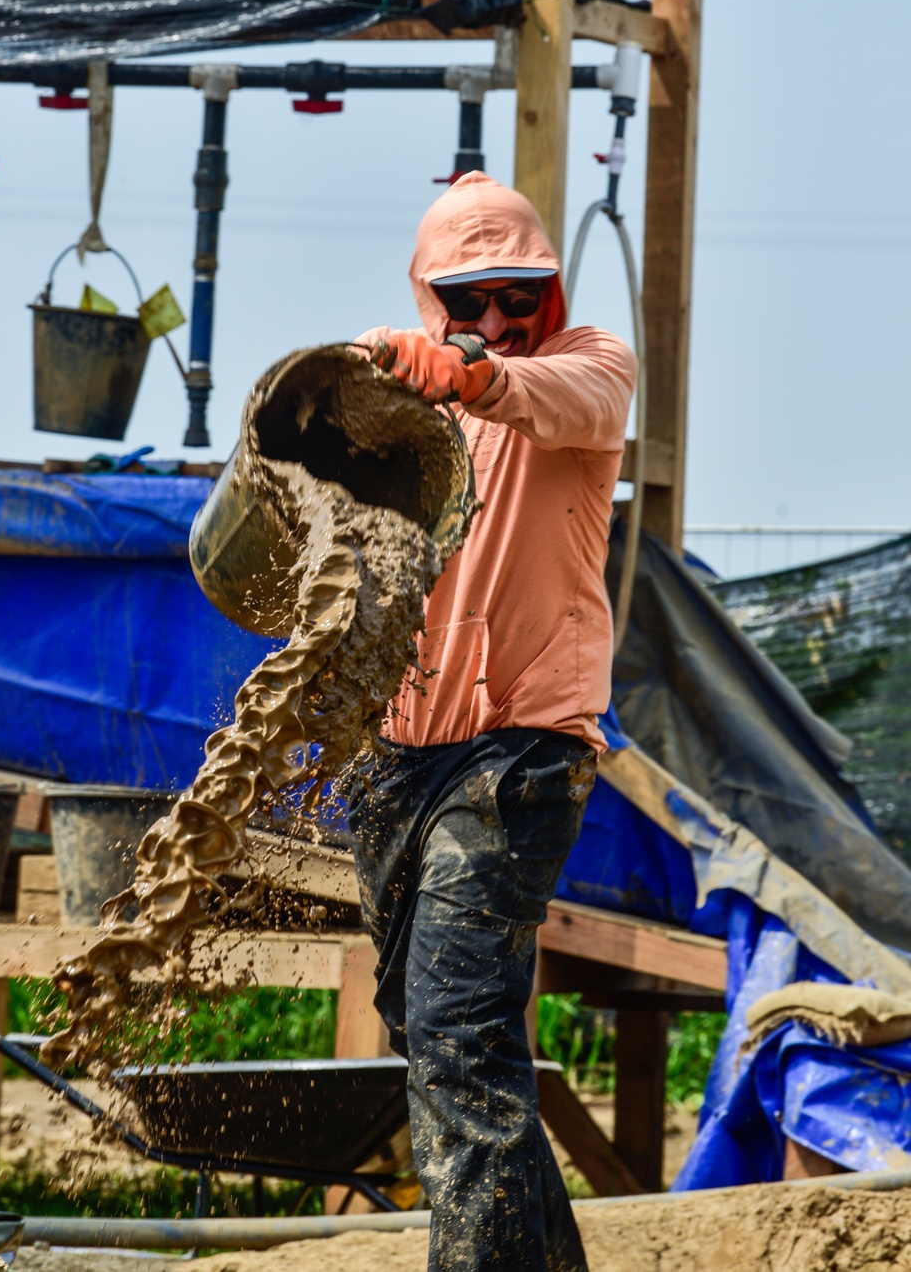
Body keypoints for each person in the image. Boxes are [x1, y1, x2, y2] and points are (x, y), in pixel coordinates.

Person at [347, 171, 637, 1272]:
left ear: (550, 289)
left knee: (463, 1044)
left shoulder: (587, 369)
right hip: (398, 759)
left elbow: (537, 395)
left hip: (519, 751)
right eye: (467, 303)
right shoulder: (397, 407)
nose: (498, 321)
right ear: (429, 296)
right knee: (430, 1034)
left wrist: (462, 368)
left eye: (519, 295)